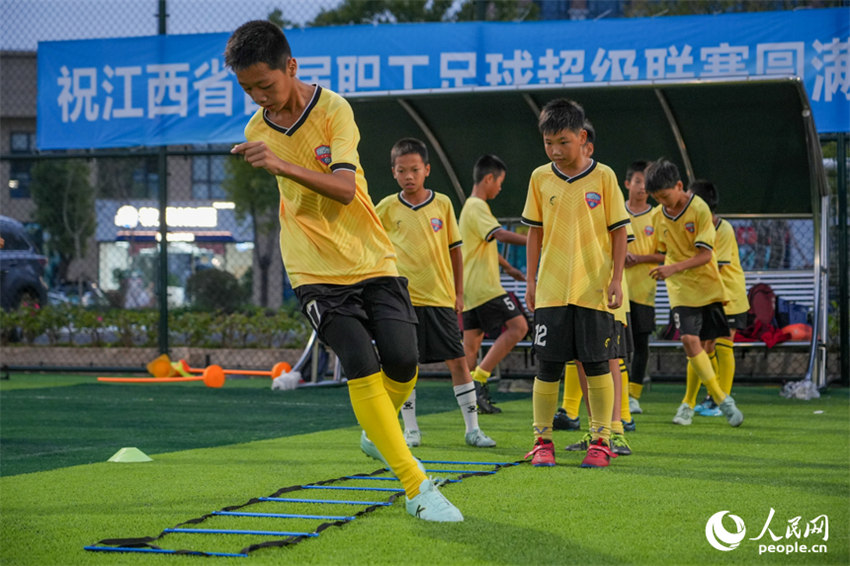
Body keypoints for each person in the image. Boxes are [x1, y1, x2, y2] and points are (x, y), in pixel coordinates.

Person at [225, 20, 461, 522]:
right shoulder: (256, 130)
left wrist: (280, 164)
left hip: (370, 255)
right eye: (247, 90)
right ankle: (416, 485)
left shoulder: (334, 109)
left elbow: (345, 190)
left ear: (291, 66)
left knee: (404, 361)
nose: (258, 98)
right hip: (311, 265)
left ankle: (378, 430)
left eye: (265, 85)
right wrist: (273, 159)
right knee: (360, 361)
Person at [521, 99, 628, 469]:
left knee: (596, 364)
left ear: (582, 138)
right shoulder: (539, 178)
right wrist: (531, 281)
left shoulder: (605, 177)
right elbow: (534, 232)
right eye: (548, 143)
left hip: (592, 288)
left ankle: (601, 440)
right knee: (547, 367)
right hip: (551, 289)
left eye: (563, 142)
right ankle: (542, 441)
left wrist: (616, 279)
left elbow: (619, 231)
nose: (555, 151)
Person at [375, 138, 496, 449]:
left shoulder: (442, 204)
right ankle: (411, 429)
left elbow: (456, 251)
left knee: (458, 361)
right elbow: (371, 245)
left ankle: (473, 429)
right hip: (403, 302)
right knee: (406, 365)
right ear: (393, 172)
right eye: (402, 170)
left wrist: (458, 292)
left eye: (415, 170)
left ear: (427, 170)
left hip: (440, 299)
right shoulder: (385, 208)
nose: (409, 176)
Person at [644, 159, 743, 428]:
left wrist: (672, 267)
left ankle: (696, 401)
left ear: (679, 186)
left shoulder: (699, 209)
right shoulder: (658, 215)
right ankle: (718, 399)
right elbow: (661, 251)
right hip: (680, 289)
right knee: (689, 340)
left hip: (708, 288)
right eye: (656, 198)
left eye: (665, 196)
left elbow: (706, 255)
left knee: (708, 346)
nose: (662, 202)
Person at [458, 154, 528, 414]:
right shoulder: (478, 206)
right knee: (519, 327)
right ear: (488, 178)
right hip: (485, 288)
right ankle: (480, 379)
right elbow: (499, 235)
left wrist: (508, 267)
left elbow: (483, 243)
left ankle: (469, 400)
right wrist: (537, 241)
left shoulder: (468, 208)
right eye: (499, 182)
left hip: (470, 289)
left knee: (471, 346)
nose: (500, 188)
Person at [687, 179, 749, 417]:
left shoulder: (723, 229)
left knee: (723, 344)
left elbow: (717, 267)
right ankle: (713, 396)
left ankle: (722, 400)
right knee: (706, 347)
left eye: (690, 199)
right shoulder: (697, 227)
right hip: (710, 296)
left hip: (729, 296)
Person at [622, 161, 664, 415]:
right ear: (628, 183)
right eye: (638, 181)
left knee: (640, 344)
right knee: (615, 344)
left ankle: (634, 395)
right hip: (617, 291)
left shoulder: (657, 215)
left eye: (646, 183)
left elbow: (664, 254)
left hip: (644, 291)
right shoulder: (617, 210)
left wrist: (638, 258)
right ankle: (616, 393)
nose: (642, 187)